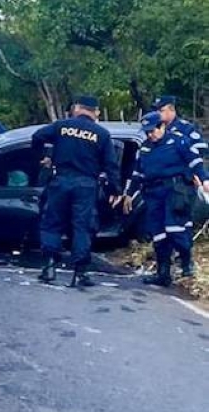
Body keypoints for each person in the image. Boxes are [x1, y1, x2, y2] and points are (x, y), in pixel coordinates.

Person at [32, 95, 121, 287]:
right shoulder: (102, 134)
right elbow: (111, 165)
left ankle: (49, 266)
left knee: (52, 223)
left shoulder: (61, 126)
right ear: (95, 112)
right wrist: (115, 190)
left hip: (61, 181)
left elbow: (37, 137)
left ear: (76, 108)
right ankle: (80, 272)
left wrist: (43, 158)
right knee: (82, 227)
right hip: (86, 185)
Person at [124, 111, 209, 286]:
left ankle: (186, 263)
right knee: (159, 235)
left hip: (175, 191)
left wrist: (205, 180)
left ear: (162, 126)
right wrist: (128, 194)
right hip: (153, 194)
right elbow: (137, 174)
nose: (150, 134)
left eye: (153, 130)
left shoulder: (178, 141)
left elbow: (195, 162)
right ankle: (163, 273)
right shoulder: (145, 148)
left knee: (176, 230)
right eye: (147, 132)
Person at [152, 95, 207, 161]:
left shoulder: (186, 128)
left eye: (161, 110)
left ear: (172, 109)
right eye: (156, 110)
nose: (157, 113)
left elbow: (201, 148)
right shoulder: (152, 128)